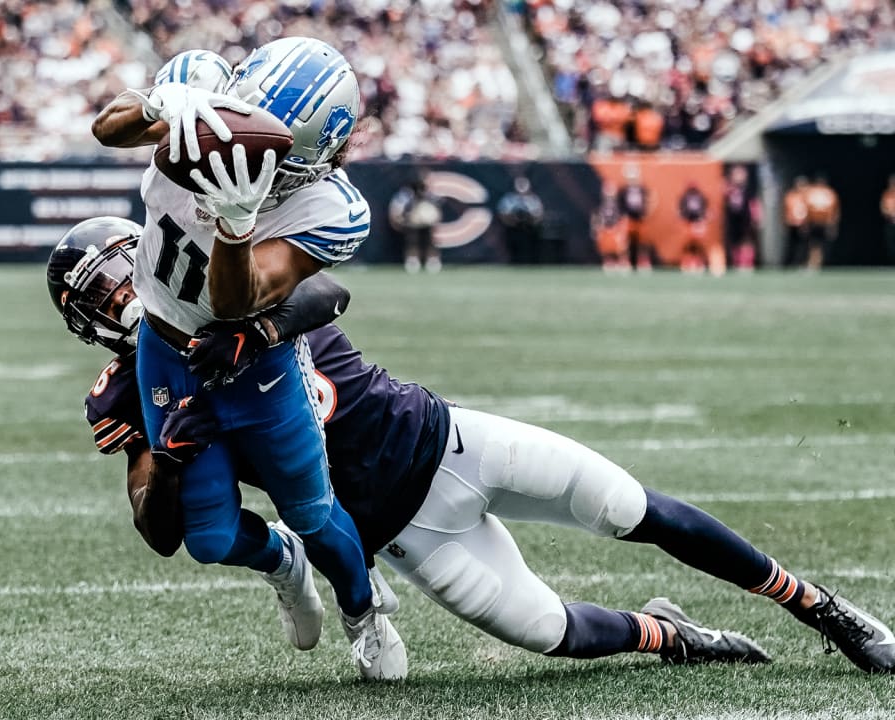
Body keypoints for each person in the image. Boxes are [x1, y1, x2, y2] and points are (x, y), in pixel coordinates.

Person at [49, 217, 895, 676]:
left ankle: (821, 608)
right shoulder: (130, 393)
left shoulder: (227, 283)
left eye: (132, 267)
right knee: (547, 632)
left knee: (629, 509)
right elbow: (161, 529)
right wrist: (167, 449)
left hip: (449, 439)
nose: (130, 291)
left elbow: (327, 287)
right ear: (87, 319)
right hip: (408, 533)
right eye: (108, 289)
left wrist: (255, 329)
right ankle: (670, 635)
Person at [89, 41, 404, 679]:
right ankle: (281, 564)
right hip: (166, 349)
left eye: (282, 153)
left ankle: (365, 615)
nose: (256, 156)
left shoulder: (332, 206)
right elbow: (107, 127)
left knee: (313, 513)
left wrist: (235, 224)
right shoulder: (204, 93)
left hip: (256, 368)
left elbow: (242, 299)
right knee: (206, 538)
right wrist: (161, 103)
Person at [388, 172, 442, 273]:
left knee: (430, 242)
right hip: (413, 221)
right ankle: (412, 260)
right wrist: (397, 219)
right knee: (413, 241)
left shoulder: (430, 194)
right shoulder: (407, 193)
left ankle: (432, 260)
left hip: (427, 221)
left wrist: (436, 218)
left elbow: (436, 207)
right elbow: (398, 206)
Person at [497, 177, 544, 265]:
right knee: (513, 246)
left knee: (530, 246)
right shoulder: (510, 199)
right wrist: (513, 219)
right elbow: (502, 214)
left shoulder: (532, 199)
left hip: (529, 229)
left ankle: (531, 261)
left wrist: (529, 218)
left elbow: (539, 214)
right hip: (513, 229)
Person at [723, 166, 758, 272]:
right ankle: (735, 262)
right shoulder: (729, 188)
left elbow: (753, 203)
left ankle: (746, 263)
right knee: (733, 242)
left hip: (745, 219)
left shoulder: (748, 190)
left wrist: (755, 216)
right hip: (732, 220)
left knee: (746, 241)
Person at [802, 174, 839, 271]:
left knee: (816, 244)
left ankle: (815, 263)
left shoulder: (814, 192)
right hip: (819, 222)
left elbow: (834, 210)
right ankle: (815, 263)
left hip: (818, 222)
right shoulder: (829, 193)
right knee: (815, 244)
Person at [618, 164, 651, 271]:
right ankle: (627, 261)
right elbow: (620, 204)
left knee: (642, 241)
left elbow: (647, 202)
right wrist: (623, 216)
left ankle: (642, 261)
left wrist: (645, 212)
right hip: (628, 218)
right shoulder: (624, 189)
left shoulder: (642, 188)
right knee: (627, 242)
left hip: (640, 218)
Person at [592, 183, 629, 272]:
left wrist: (621, 229)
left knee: (620, 248)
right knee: (606, 247)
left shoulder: (619, 205)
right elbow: (596, 216)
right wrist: (597, 228)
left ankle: (622, 262)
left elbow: (623, 217)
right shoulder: (601, 204)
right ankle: (609, 261)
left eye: (611, 193)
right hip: (605, 228)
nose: (609, 196)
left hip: (616, 228)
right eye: (608, 193)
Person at [677, 184, 709, 274]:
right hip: (688, 222)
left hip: (697, 222)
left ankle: (699, 263)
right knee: (688, 244)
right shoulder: (685, 197)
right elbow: (681, 209)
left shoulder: (700, 197)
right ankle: (687, 262)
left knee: (697, 244)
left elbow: (704, 208)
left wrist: (702, 218)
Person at [783, 176, 810, 267]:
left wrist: (806, 223)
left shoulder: (807, 196)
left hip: (804, 225)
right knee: (791, 245)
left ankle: (802, 263)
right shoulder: (791, 196)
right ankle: (790, 263)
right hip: (793, 224)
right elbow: (786, 209)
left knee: (803, 245)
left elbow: (809, 211)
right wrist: (788, 220)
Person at [882, 175, 895, 265]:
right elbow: (883, 208)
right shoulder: (887, 195)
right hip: (890, 223)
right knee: (891, 244)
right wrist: (890, 215)